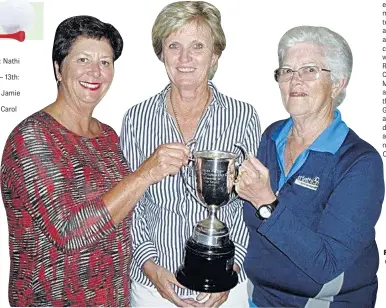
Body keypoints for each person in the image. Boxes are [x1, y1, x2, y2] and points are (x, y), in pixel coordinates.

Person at [0, 15, 189, 307]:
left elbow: (128, 212)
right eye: (83, 59)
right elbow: (69, 232)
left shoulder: (108, 137)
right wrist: (144, 175)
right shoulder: (32, 137)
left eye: (105, 62)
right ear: (58, 69)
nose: (95, 72)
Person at [120, 1, 260, 307]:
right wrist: (149, 267)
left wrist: (230, 271)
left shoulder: (243, 117)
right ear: (161, 53)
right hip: (153, 287)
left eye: (197, 45)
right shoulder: (137, 118)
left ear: (215, 54)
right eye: (174, 45)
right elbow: (131, 203)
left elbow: (250, 204)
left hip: (226, 289)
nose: (185, 58)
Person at [236, 25, 384, 307]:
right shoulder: (272, 136)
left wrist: (266, 202)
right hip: (260, 300)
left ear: (338, 83)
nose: (295, 81)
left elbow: (325, 264)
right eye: (287, 71)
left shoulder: (360, 162)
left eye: (309, 70)